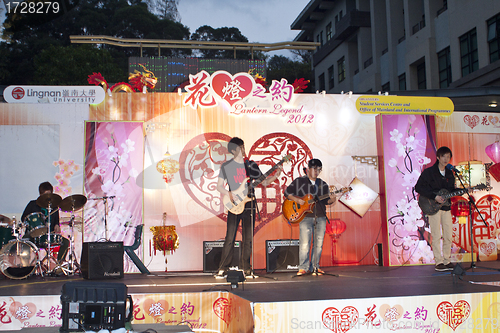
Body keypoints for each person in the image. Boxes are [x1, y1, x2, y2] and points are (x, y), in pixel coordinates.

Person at [215, 137, 282, 278]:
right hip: (234, 204)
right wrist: (229, 193)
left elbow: (263, 183)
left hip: (249, 203)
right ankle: (223, 268)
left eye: (244, 147)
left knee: (248, 238)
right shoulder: (226, 166)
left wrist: (276, 175)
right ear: (233, 150)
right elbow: (219, 186)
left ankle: (246, 268)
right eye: (240, 148)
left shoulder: (250, 165)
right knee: (230, 237)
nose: (244, 150)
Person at [284, 158, 336, 276]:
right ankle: (303, 267)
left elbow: (326, 201)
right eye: (314, 169)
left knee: (318, 243)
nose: (316, 172)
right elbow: (287, 192)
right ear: (308, 169)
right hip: (305, 216)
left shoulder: (322, 184)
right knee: (305, 243)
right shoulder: (299, 181)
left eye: (319, 170)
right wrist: (297, 200)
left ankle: (315, 267)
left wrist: (332, 199)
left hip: (321, 216)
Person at [415, 146, 456, 272]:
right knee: (437, 235)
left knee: (448, 234)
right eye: (444, 156)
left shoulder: (450, 173)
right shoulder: (429, 172)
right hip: (433, 207)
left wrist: (466, 190)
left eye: (448, 157)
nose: (446, 159)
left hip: (446, 207)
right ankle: (438, 262)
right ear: (438, 157)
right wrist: (434, 197)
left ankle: (447, 260)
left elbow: (452, 191)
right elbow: (418, 188)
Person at [21, 181, 69, 265]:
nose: (47, 197)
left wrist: (57, 225)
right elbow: (23, 218)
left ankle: (59, 264)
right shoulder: (32, 204)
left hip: (48, 235)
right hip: (34, 235)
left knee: (65, 242)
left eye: (49, 194)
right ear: (40, 194)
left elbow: (56, 222)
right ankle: (26, 266)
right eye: (45, 194)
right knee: (25, 241)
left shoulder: (54, 207)